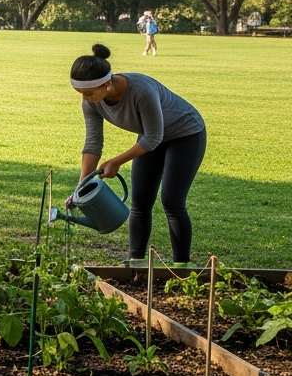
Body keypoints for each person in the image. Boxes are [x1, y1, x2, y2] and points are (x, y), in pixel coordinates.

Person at [69, 43, 205, 266]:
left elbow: (153, 137)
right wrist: (81, 186)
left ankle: (182, 266)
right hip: (150, 138)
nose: (84, 98)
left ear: (107, 83)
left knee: (171, 200)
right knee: (140, 202)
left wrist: (116, 162)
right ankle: (137, 262)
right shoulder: (92, 104)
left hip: (185, 134)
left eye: (88, 93)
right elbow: (93, 144)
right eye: (80, 93)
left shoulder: (141, 91)